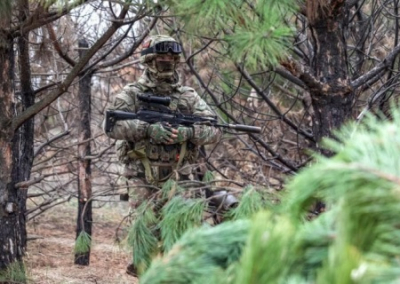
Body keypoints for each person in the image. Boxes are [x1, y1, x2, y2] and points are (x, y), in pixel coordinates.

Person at [103, 34, 222, 210]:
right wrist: (148, 129)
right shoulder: (132, 94)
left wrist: (189, 133)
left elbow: (215, 130)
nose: (166, 61)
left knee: (181, 233)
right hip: (141, 177)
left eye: (170, 57)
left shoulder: (188, 96)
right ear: (149, 60)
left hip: (179, 178)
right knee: (144, 232)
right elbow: (111, 126)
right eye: (161, 57)